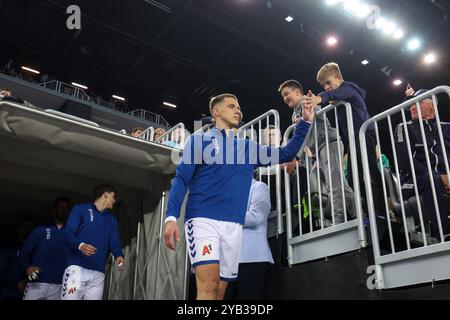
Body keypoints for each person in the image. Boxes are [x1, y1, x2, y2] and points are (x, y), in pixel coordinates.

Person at [163, 93, 314, 300]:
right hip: (203, 220)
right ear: (216, 112)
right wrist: (171, 217)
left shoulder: (248, 148)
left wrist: (305, 122)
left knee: (220, 291)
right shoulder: (198, 141)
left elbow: (286, 154)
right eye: (232, 106)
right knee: (208, 284)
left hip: (233, 226)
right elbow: (181, 180)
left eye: (239, 107)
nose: (238, 110)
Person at [303, 63, 386, 230]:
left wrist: (319, 98)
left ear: (340, 78)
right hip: (353, 139)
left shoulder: (350, 88)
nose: (326, 87)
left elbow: (340, 92)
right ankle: (365, 213)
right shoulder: (340, 95)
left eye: (328, 83)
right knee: (354, 176)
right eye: (323, 85)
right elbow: (335, 94)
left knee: (369, 173)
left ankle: (379, 213)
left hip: (365, 134)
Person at [280, 79, 355, 223]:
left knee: (333, 182)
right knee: (338, 182)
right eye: (283, 96)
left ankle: (338, 218)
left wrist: (301, 120)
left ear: (297, 92)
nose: (285, 98)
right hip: (319, 149)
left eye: (286, 93)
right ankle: (357, 212)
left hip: (328, 142)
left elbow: (310, 117)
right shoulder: (293, 113)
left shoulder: (307, 101)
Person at [395, 87, 450, 239]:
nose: (412, 106)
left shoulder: (445, 128)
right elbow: (405, 162)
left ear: (432, 106)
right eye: (411, 104)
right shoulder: (403, 127)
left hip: (442, 180)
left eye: (418, 103)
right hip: (411, 182)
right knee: (431, 178)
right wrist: (440, 178)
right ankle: (444, 233)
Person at [61, 184, 124, 300]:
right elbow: (66, 234)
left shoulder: (112, 219)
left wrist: (119, 255)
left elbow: (114, 242)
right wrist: (80, 245)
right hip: (77, 269)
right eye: (113, 196)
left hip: (98, 273)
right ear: (105, 194)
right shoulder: (80, 209)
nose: (114, 201)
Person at [225, 179, 273, 300]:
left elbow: (255, 217)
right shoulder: (226, 191)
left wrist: (224, 215)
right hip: (228, 260)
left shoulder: (259, 187)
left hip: (252, 258)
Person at [19, 198, 71, 300]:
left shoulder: (73, 233)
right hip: (37, 284)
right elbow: (23, 254)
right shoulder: (40, 230)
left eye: (67, 208)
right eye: (61, 207)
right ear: (54, 210)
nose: (64, 210)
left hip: (60, 286)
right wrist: (28, 267)